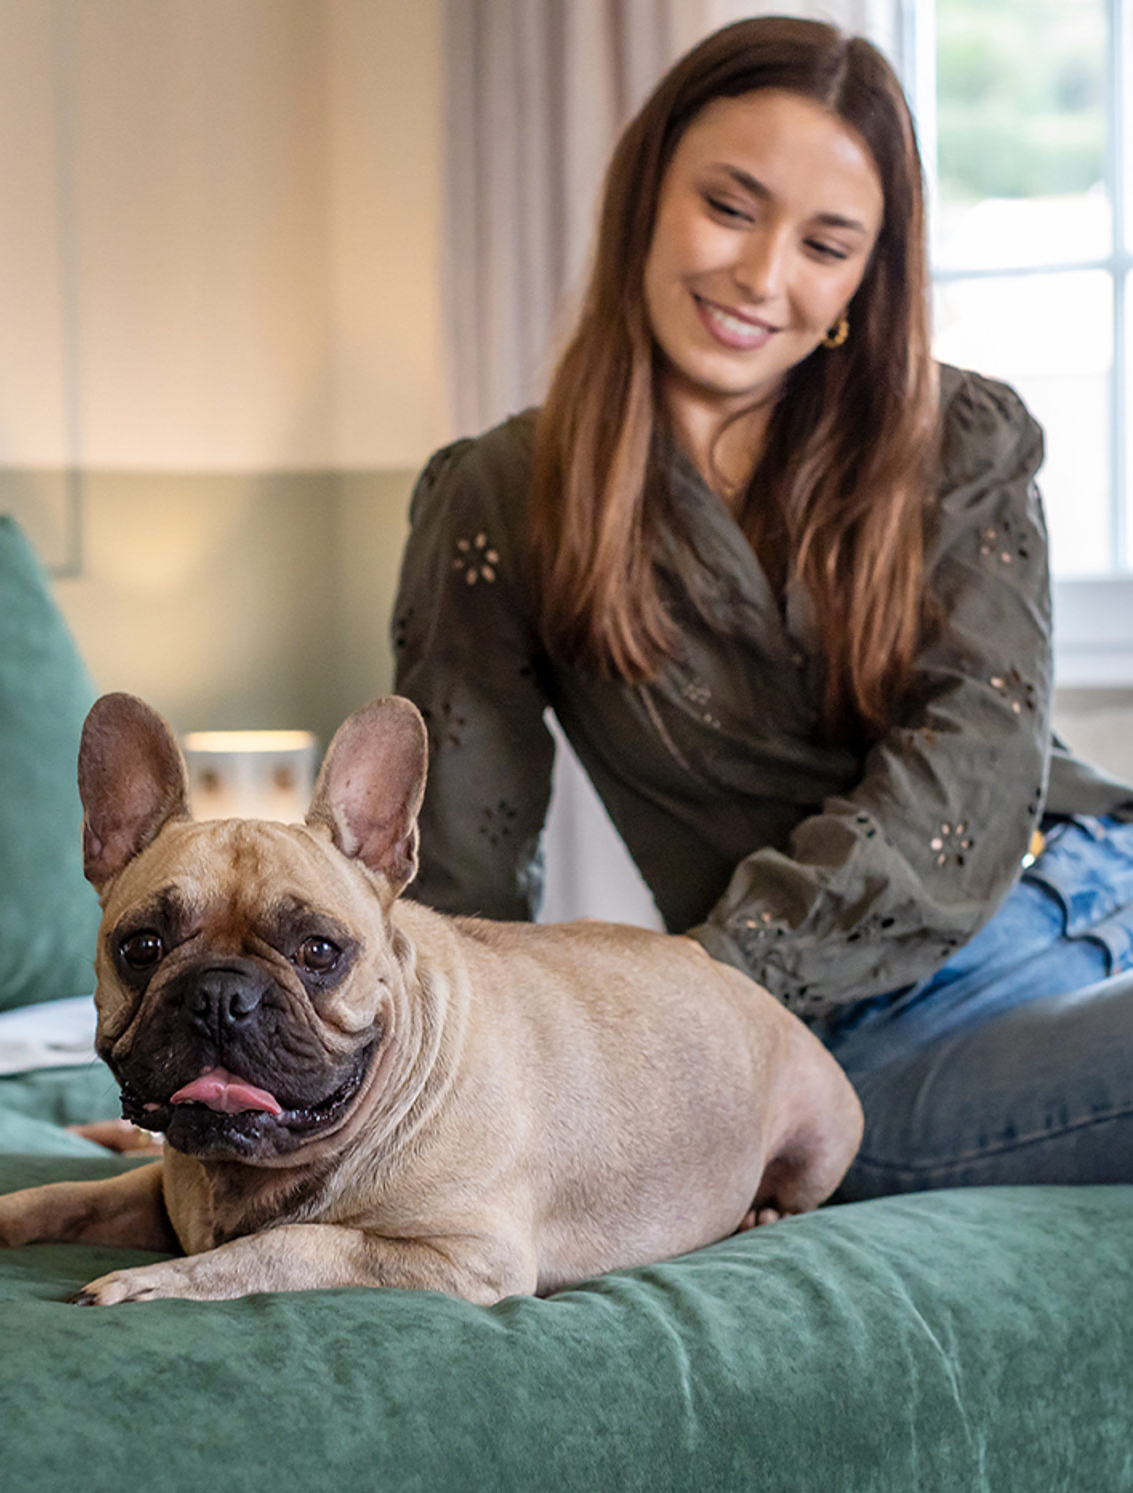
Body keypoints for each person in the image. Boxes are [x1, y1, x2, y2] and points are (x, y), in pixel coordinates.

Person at [392, 14, 1133, 1198]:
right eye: (728, 209)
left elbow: (975, 764)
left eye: (825, 245)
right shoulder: (497, 498)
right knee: (816, 1139)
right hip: (816, 1027)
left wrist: (689, 994)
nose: (761, 277)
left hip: (1068, 883)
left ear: (859, 279)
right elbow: (455, 884)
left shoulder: (957, 440)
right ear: (643, 196)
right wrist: (346, 1087)